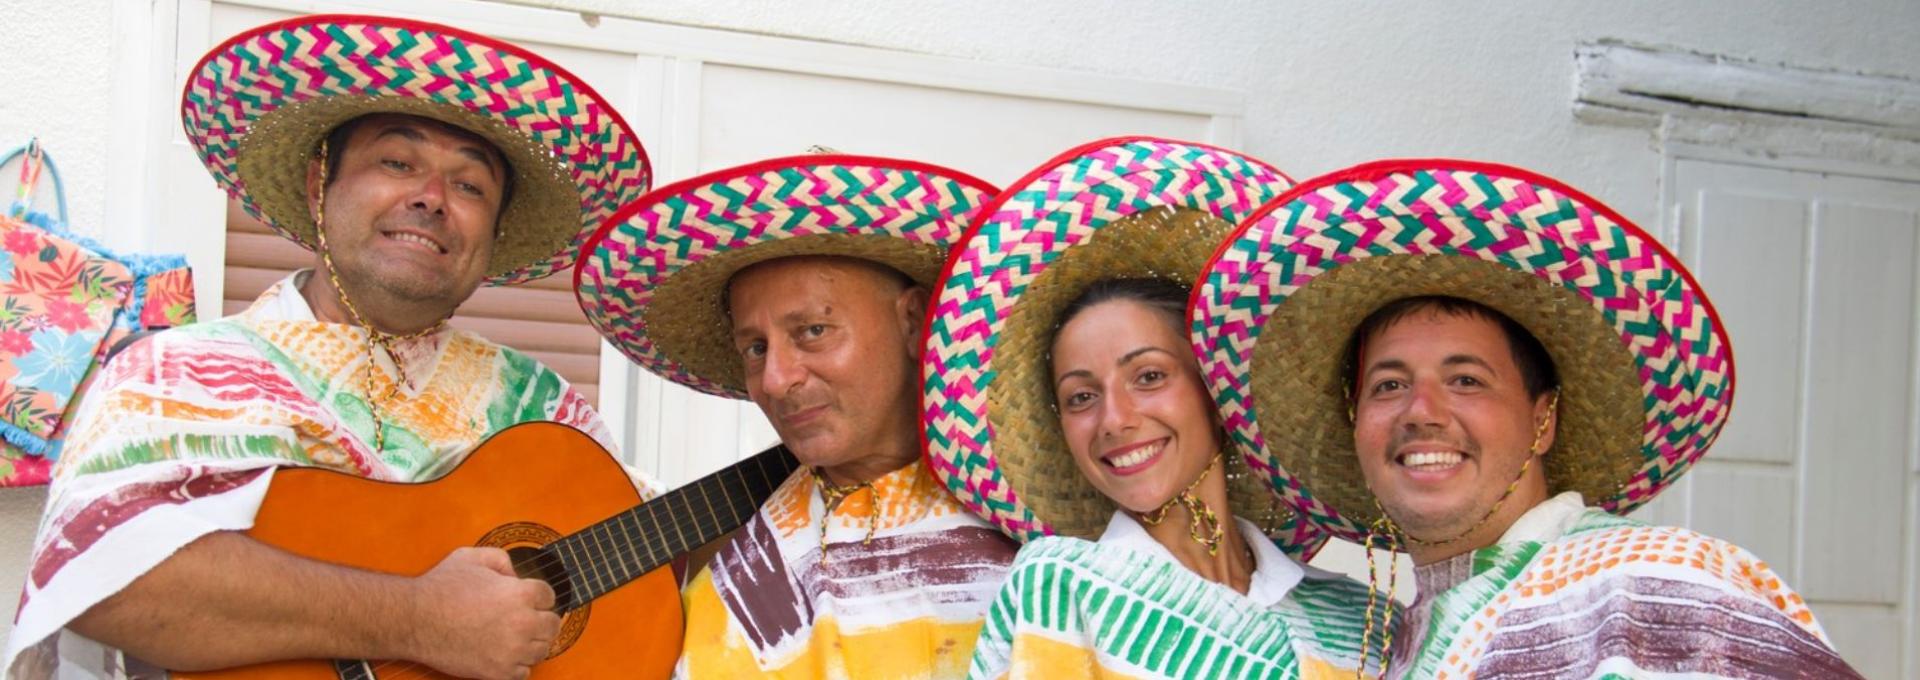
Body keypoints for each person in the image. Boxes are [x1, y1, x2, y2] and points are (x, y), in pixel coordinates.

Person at [4, 14, 656, 680]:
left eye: (469, 186)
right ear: (321, 186)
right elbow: (106, 578)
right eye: (397, 163)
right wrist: (421, 618)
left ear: (491, 233)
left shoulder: (543, 409)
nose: (431, 199)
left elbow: (649, 598)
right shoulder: (169, 376)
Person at [1190, 159, 1865, 677]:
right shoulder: (1393, 638)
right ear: (1356, 422)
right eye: (1389, 384)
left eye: (1466, 380)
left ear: (1543, 421)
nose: (1422, 413)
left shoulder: (1656, 586)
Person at [921, 138, 1380, 679]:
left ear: (1215, 394)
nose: (1115, 420)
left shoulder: (1356, 618)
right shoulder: (1062, 590)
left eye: (1149, 376)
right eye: (1082, 397)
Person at [575, 152, 1018, 678]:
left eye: (813, 331)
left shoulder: (1034, 527)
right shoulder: (719, 569)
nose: (776, 380)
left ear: (916, 322)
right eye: (756, 348)